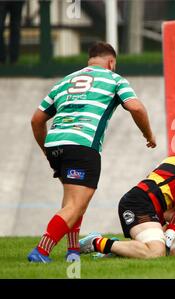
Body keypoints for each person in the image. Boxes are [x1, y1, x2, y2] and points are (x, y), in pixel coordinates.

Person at [27, 42, 157, 263]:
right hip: (82, 145)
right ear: (111, 62)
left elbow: (36, 120)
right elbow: (136, 107)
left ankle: (73, 251)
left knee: (73, 202)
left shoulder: (65, 81)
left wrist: (46, 150)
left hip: (56, 143)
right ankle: (41, 251)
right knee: (75, 205)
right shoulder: (114, 79)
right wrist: (148, 135)